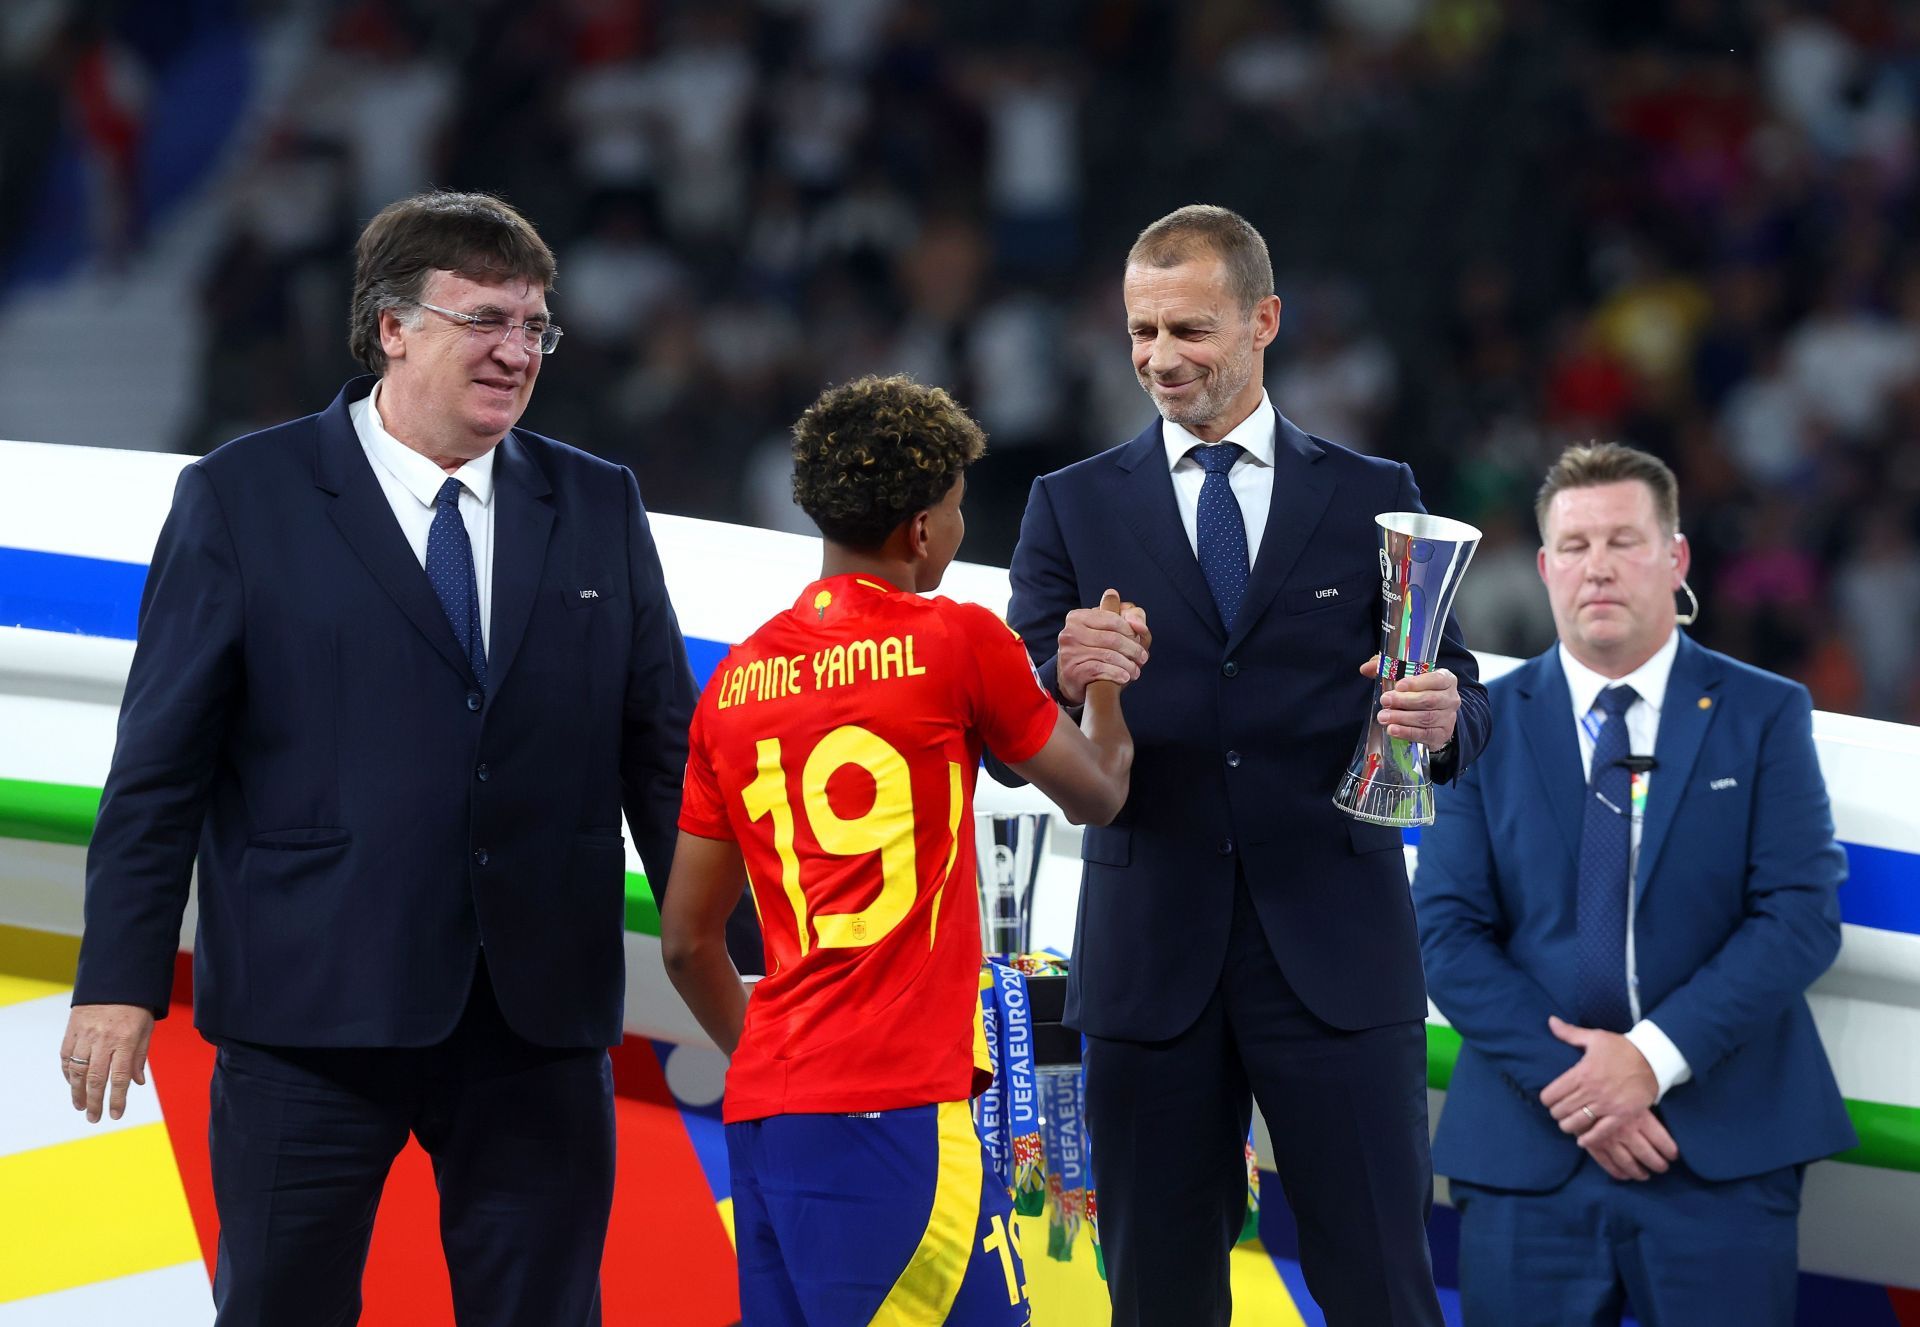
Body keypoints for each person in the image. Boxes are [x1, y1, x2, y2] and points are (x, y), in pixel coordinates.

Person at [60, 190, 698, 1326]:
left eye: (536, 326)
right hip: (309, 1014)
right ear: (392, 327)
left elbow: (663, 757)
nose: (516, 352)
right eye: (485, 320)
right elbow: (161, 766)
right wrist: (118, 977)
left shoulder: (598, 502)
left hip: (537, 1019)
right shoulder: (240, 498)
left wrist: (742, 956)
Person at [1004, 204, 1489, 1326]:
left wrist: (1444, 713)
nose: (1159, 359)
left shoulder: (1375, 489)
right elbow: (1017, 721)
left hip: (1337, 948)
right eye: (1141, 332)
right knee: (1159, 1296)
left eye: (1189, 330)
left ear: (1265, 321)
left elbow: (1453, 683)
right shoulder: (1067, 504)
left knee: (1381, 1282)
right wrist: (1063, 673)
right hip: (1146, 958)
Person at [659, 373, 1138, 1325]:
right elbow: (1101, 792)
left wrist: (772, 1060)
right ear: (922, 529)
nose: (959, 533)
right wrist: (1110, 683)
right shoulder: (958, 640)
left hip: (764, 1115)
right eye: (957, 511)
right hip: (902, 1114)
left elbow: (686, 943)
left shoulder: (735, 683)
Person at [1414, 443, 1855, 1326]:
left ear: (1677, 557)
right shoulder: (1482, 722)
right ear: (1543, 568)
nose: (1599, 567)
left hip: (1719, 1155)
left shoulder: (1765, 711)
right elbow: (1447, 938)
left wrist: (1649, 1061)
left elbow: (1800, 917)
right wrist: (1585, 1083)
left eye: (1624, 539)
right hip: (1528, 1154)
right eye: (1575, 546)